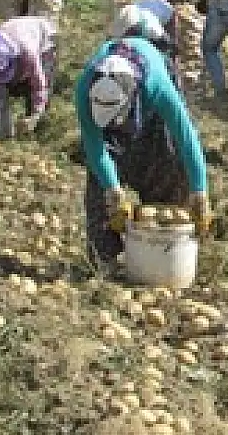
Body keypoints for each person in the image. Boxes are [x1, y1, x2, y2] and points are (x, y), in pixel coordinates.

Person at [75, 34, 211, 271]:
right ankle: (105, 257)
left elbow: (186, 136)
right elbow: (94, 146)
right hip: (112, 113)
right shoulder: (83, 90)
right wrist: (113, 190)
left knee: (168, 164)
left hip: (150, 110)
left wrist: (199, 190)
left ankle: (162, 250)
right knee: (99, 187)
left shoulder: (155, 84)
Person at [0, 16, 58, 141]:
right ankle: (4, 134)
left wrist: (36, 114)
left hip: (44, 37)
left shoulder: (29, 53)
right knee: (2, 94)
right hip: (16, 36)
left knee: (37, 88)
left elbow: (40, 86)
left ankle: (36, 132)